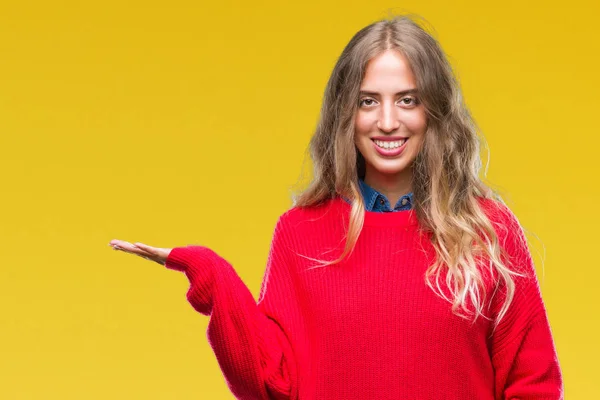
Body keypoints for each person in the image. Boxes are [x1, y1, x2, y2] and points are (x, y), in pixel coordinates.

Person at [109, 14, 563, 400]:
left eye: (407, 100)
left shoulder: (488, 230)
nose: (388, 121)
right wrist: (212, 275)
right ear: (346, 113)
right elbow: (271, 383)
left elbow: (534, 383)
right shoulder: (300, 232)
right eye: (368, 102)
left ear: (434, 112)